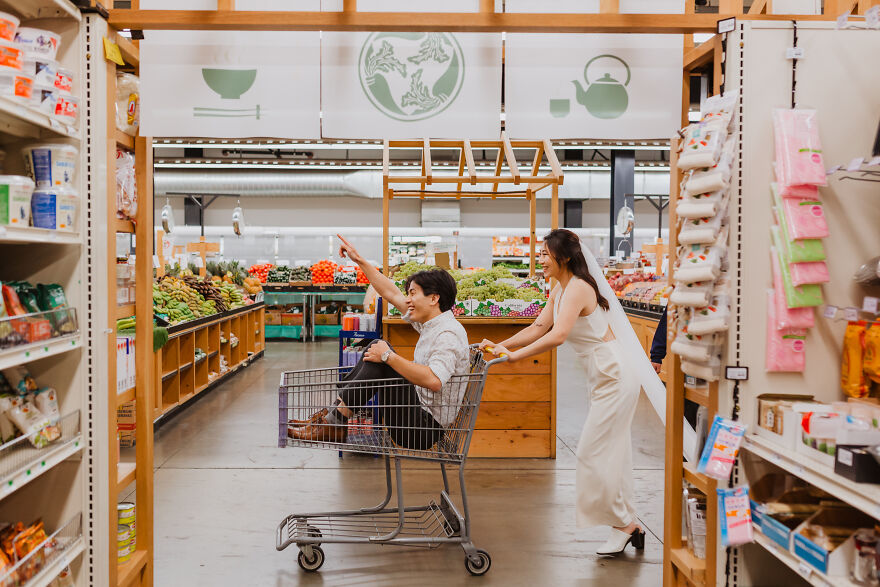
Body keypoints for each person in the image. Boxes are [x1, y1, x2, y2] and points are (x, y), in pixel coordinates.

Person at [479, 229, 647, 556]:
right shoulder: (560, 287)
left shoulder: (579, 288)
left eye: (545, 254)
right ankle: (629, 523)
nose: (540, 259)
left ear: (564, 257)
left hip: (613, 372)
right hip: (603, 373)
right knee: (613, 451)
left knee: (592, 451)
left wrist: (514, 356)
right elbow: (539, 327)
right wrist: (501, 346)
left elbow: (558, 335)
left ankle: (624, 525)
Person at [289, 235, 470, 450]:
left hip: (422, 428)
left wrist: (388, 356)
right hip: (414, 414)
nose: (408, 299)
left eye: (413, 293)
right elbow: (390, 292)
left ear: (434, 298)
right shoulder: (432, 323)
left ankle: (334, 421)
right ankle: (333, 417)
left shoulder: (447, 333)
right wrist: (359, 260)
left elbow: (434, 380)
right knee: (377, 347)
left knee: (383, 354)